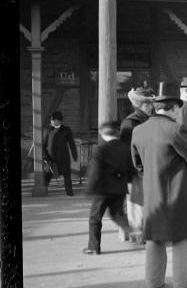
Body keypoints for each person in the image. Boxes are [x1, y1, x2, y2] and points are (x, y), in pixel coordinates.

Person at [131, 82, 187, 288]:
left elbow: (138, 164)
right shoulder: (175, 129)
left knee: (154, 237)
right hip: (178, 190)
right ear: (175, 108)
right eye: (179, 110)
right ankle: (182, 281)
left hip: (152, 191)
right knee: (182, 235)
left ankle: (153, 281)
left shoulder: (138, 131)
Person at [83, 121, 136, 254]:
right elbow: (131, 170)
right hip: (120, 188)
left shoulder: (101, 149)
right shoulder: (125, 148)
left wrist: (90, 189)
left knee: (95, 218)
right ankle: (133, 231)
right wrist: (126, 181)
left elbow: (95, 172)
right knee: (117, 214)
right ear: (117, 133)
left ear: (102, 133)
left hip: (103, 190)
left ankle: (94, 247)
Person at [120, 87, 154, 242]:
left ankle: (143, 233)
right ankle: (137, 235)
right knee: (136, 204)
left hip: (146, 167)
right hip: (134, 169)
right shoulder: (130, 123)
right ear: (139, 105)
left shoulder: (148, 120)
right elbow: (126, 150)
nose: (150, 107)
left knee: (143, 203)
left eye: (150, 104)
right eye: (147, 104)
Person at [43, 110, 78, 196]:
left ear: (58, 121)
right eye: (52, 120)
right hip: (50, 156)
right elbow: (43, 144)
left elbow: (72, 143)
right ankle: (43, 190)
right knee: (48, 174)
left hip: (63, 156)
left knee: (66, 174)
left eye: (53, 119)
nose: (51, 121)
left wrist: (75, 155)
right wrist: (44, 156)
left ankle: (69, 191)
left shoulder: (66, 130)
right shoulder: (47, 130)